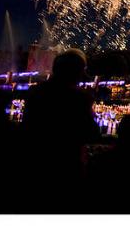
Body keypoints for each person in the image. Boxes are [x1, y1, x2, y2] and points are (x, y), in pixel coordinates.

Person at [21, 49, 100, 212]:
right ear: (76, 72)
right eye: (81, 71)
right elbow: (92, 134)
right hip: (67, 169)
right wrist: (89, 108)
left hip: (33, 166)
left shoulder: (35, 92)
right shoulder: (79, 98)